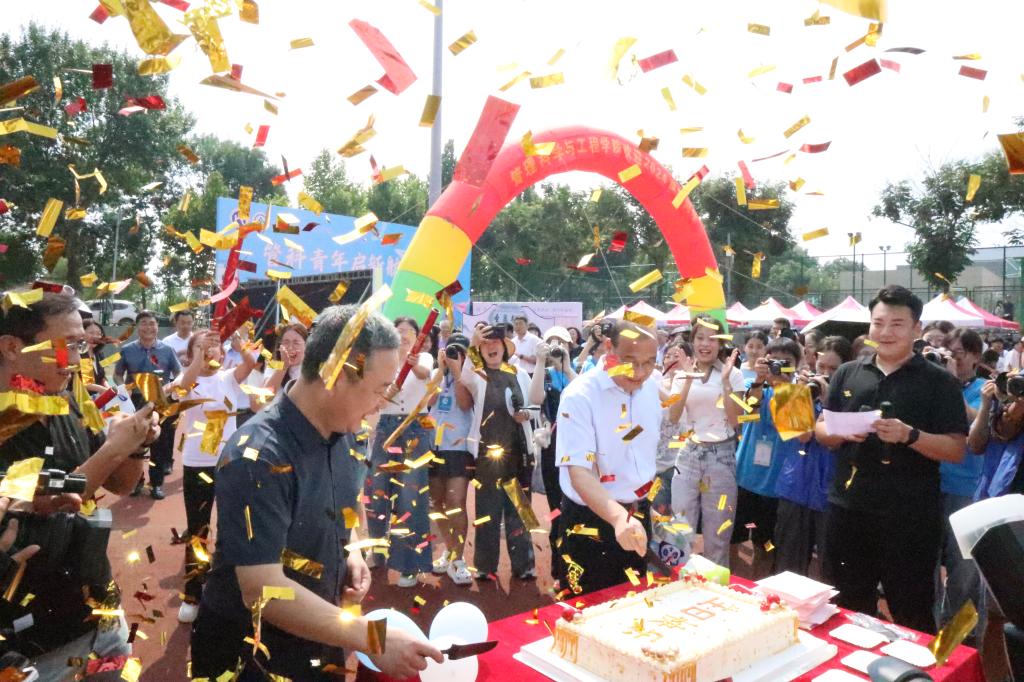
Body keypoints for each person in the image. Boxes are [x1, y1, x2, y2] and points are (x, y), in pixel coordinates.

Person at [191, 305, 444, 680]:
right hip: (249, 656)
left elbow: (342, 504)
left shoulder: (349, 432)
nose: (382, 403)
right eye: (379, 389)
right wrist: (373, 638)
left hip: (321, 638)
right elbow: (261, 589)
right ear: (337, 375)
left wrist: (351, 550)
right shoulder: (257, 455)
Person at [0, 290, 158, 676]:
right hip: (31, 645)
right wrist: (114, 448)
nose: (75, 360)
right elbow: (58, 495)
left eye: (81, 346)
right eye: (67, 345)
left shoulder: (67, 399)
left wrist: (136, 445)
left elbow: (120, 485)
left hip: (100, 612)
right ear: (12, 347)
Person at [815, 285, 969, 634]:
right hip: (848, 509)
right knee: (847, 605)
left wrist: (909, 435)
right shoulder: (848, 372)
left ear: (916, 329)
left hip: (910, 517)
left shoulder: (939, 382)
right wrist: (841, 432)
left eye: (897, 324)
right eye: (878, 323)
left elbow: (956, 449)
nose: (885, 332)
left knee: (911, 610)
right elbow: (821, 429)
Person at [556, 320, 662, 594]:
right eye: (630, 361)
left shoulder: (651, 388)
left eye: (649, 363)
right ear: (608, 347)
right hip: (590, 521)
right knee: (586, 608)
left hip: (637, 515)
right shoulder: (580, 396)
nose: (640, 373)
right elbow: (579, 472)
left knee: (635, 603)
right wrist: (617, 518)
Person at [170, 329, 255, 624]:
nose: (211, 349)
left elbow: (250, 363)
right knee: (198, 530)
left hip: (228, 463)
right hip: (197, 465)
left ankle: (227, 588)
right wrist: (198, 357)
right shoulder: (187, 378)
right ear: (192, 351)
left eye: (215, 345)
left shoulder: (228, 378)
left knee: (232, 526)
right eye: (202, 345)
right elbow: (181, 390)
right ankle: (193, 594)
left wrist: (240, 344)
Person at [460, 324, 537, 581]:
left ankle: (525, 564)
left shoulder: (519, 373)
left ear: (505, 347)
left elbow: (536, 405)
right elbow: (465, 376)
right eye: (486, 344)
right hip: (487, 456)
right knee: (487, 511)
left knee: (521, 510)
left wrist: (526, 414)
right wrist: (473, 342)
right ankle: (485, 565)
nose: (491, 347)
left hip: (518, 454)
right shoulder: (478, 375)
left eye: (496, 343)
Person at [364, 317, 436, 587]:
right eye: (399, 331)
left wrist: (410, 361)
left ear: (419, 338)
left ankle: (409, 565)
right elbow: (374, 399)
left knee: (410, 496)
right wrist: (384, 391)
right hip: (386, 428)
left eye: (409, 332)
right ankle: (377, 549)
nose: (403, 335)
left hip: (415, 428)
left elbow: (423, 373)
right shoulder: (382, 361)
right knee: (376, 491)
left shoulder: (425, 358)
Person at [773, 335, 852, 577]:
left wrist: (830, 402)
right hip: (795, 487)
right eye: (821, 366)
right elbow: (801, 436)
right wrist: (795, 393)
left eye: (833, 369)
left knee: (831, 569)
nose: (825, 374)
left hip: (832, 492)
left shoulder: (853, 397)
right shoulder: (796, 389)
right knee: (788, 567)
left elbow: (837, 439)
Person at [669, 316, 743, 569]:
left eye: (712, 339)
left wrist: (725, 383)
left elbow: (735, 420)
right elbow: (673, 416)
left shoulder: (733, 375)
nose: (705, 344)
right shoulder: (682, 374)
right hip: (688, 454)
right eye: (700, 338)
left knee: (718, 535)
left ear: (721, 343)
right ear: (692, 341)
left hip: (721, 457)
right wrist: (688, 378)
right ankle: (678, 582)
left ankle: (716, 586)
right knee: (680, 529)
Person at [732, 336, 807, 579]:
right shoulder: (754, 386)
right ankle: (735, 584)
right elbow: (747, 415)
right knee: (735, 539)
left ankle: (760, 586)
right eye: (774, 361)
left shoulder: (800, 393)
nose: (779, 367)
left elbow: (797, 433)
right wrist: (759, 380)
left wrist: (783, 389)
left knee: (766, 547)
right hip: (746, 478)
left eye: (786, 363)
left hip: (777, 486)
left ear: (797, 365)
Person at [933, 328, 987, 646]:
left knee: (964, 571)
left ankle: (956, 644)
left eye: (959, 354)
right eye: (948, 353)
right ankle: (930, 633)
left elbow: (976, 427)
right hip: (930, 485)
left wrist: (952, 383)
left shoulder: (985, 390)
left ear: (976, 356)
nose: (953, 359)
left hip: (966, 490)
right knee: (926, 565)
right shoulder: (934, 384)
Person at [527, 326, 578, 582]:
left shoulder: (576, 373)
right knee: (557, 509)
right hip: (553, 450)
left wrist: (566, 367)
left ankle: (576, 564)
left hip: (576, 450)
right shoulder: (543, 374)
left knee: (576, 507)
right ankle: (558, 569)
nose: (557, 348)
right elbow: (535, 398)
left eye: (562, 343)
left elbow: (585, 394)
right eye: (552, 343)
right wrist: (540, 361)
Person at [115, 310, 182, 500]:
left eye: (152, 323)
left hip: (160, 401)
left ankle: (156, 484)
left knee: (158, 443)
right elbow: (117, 374)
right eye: (144, 323)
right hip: (135, 401)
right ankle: (136, 481)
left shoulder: (167, 350)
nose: (148, 327)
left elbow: (179, 373)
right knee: (135, 444)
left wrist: (172, 387)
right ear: (137, 327)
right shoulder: (127, 350)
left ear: (157, 327)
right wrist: (123, 389)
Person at [427, 333, 475, 586]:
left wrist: (458, 372)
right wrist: (441, 368)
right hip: (434, 446)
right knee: (436, 503)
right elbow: (428, 401)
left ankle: (458, 559)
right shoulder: (437, 374)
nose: (455, 356)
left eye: (460, 352)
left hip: (459, 446)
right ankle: (450, 549)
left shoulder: (471, 377)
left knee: (455, 502)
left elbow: (465, 404)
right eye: (451, 351)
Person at [263, 324, 307, 396]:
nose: (290, 348)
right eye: (286, 342)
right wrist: (284, 366)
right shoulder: (273, 364)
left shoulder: (312, 370)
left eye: (296, 343)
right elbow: (266, 396)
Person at [82, 318, 110, 394]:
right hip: (80, 398)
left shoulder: (99, 354)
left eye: (99, 334)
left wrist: (109, 389)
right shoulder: (81, 354)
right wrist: (103, 390)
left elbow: (102, 377)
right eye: (91, 333)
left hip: (97, 397)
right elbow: (88, 383)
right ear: (81, 333)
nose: (95, 336)